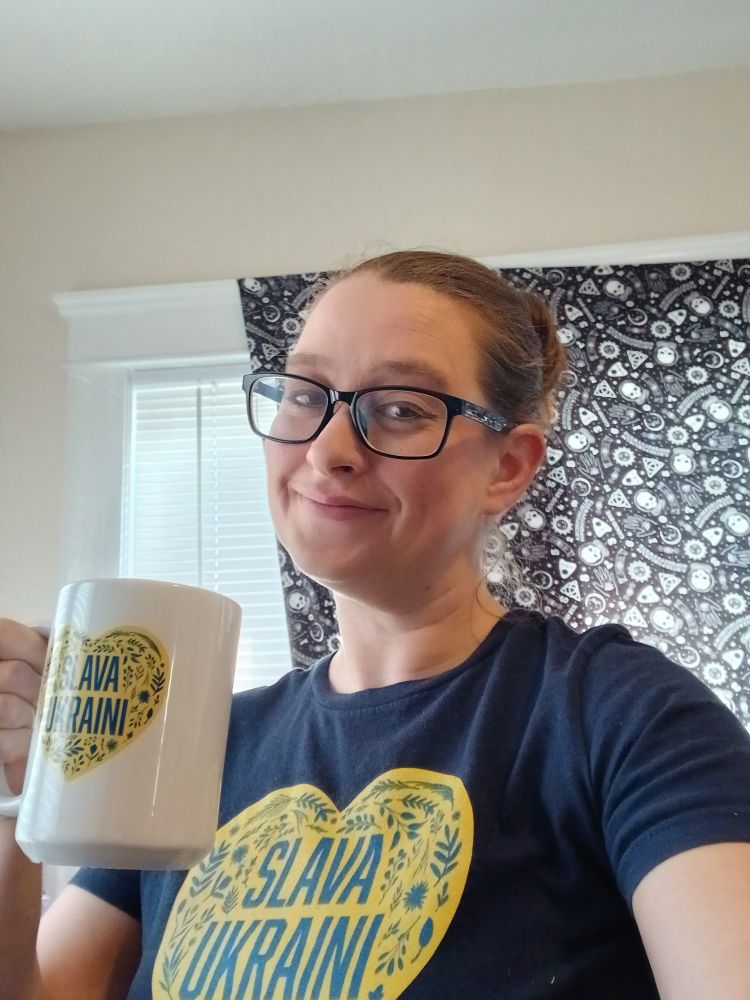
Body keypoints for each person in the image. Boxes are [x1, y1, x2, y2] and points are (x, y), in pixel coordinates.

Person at [1, 249, 750, 1000]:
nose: (327, 450)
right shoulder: (193, 744)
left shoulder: (621, 716)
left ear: (508, 468)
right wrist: (11, 804)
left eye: (400, 409)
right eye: (304, 394)